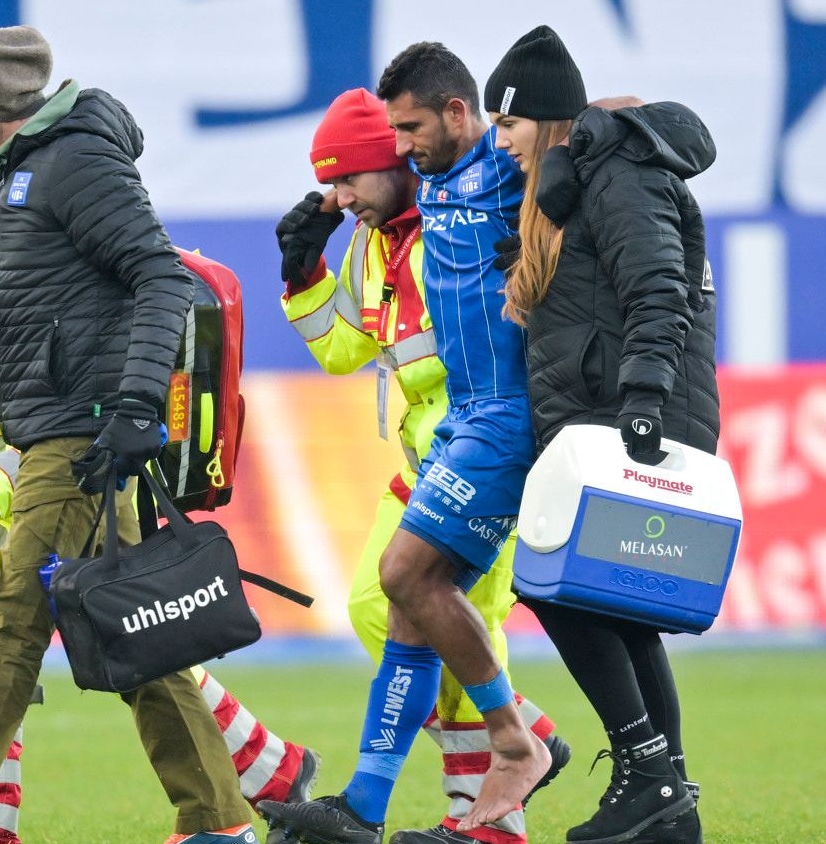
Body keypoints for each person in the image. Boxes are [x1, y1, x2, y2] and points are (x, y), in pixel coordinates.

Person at [0, 26, 260, 844]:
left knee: (11, 627)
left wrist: (137, 407)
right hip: (72, 432)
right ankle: (219, 821)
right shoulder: (18, 171)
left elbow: (160, 276)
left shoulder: (75, 162)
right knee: (133, 632)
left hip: (78, 435)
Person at [0, 148, 320, 844]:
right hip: (31, 499)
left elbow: (80, 419)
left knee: (27, 634)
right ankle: (262, 774)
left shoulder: (56, 302)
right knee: (138, 640)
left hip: (67, 489)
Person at [257, 43, 551, 844]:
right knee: (380, 606)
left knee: (438, 613)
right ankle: (520, 743)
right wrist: (302, 277)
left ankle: (490, 817)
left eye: (348, 177)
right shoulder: (374, 243)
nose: (337, 197)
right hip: (431, 460)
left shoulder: (459, 224)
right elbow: (343, 350)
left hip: (490, 458)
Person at [485, 25, 719, 844]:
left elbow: (659, 286)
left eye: (508, 123)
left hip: (632, 415)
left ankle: (648, 773)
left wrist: (644, 400)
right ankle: (668, 801)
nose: (500, 141)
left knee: (557, 585)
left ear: (548, 119)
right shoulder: (573, 185)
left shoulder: (618, 169)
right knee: (615, 607)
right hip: (602, 414)